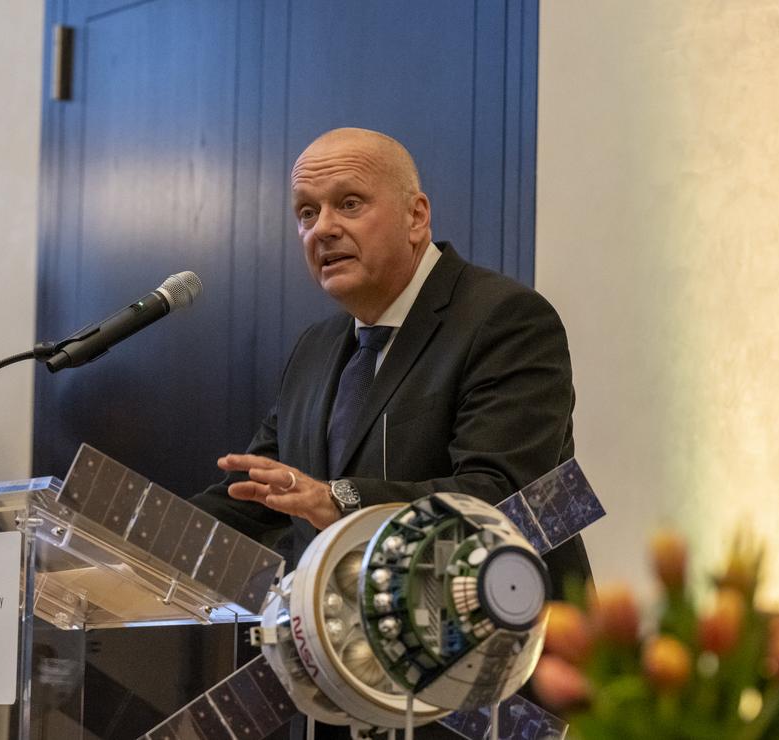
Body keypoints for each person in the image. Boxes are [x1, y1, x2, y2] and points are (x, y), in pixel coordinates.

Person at [190, 128, 591, 738]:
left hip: (486, 697)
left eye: (349, 203)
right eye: (306, 212)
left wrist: (339, 500)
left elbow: (499, 500)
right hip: (347, 693)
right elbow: (258, 495)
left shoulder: (505, 320)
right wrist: (115, 536)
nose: (322, 229)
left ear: (416, 216)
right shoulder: (315, 348)